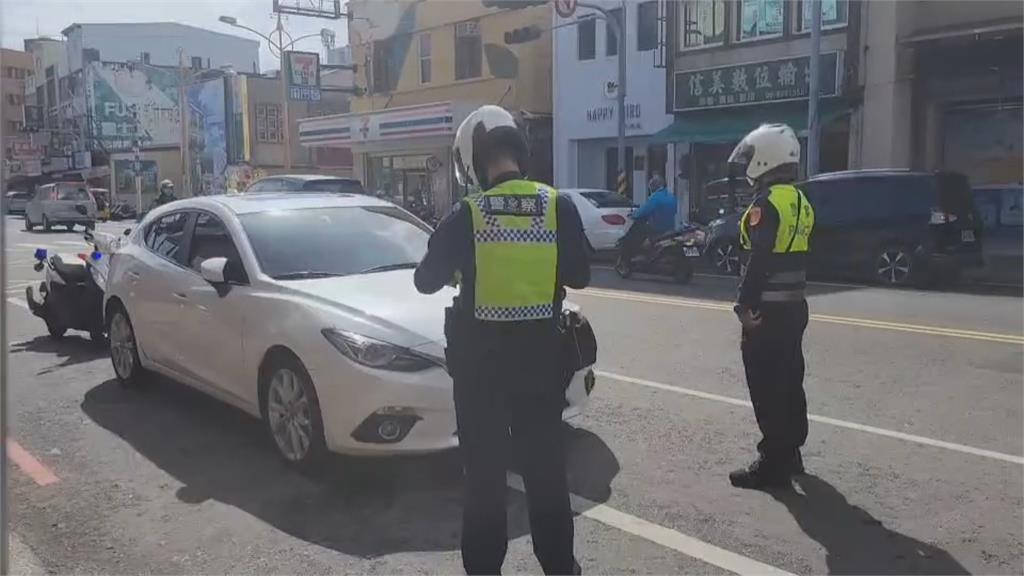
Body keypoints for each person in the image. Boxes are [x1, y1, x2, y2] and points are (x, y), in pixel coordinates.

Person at [414, 105, 589, 575]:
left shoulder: (466, 214)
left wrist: (462, 267)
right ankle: (559, 567)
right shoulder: (558, 207)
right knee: (546, 475)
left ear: (473, 158)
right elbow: (581, 274)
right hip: (540, 370)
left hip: (481, 379)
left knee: (485, 483)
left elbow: (424, 282)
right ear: (519, 150)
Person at [727, 123, 815, 490]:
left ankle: (772, 465)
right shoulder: (800, 200)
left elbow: (758, 259)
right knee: (790, 382)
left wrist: (743, 306)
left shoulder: (766, 205)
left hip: (766, 313)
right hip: (795, 309)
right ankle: (791, 453)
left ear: (765, 159)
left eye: (750, 157)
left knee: (765, 386)